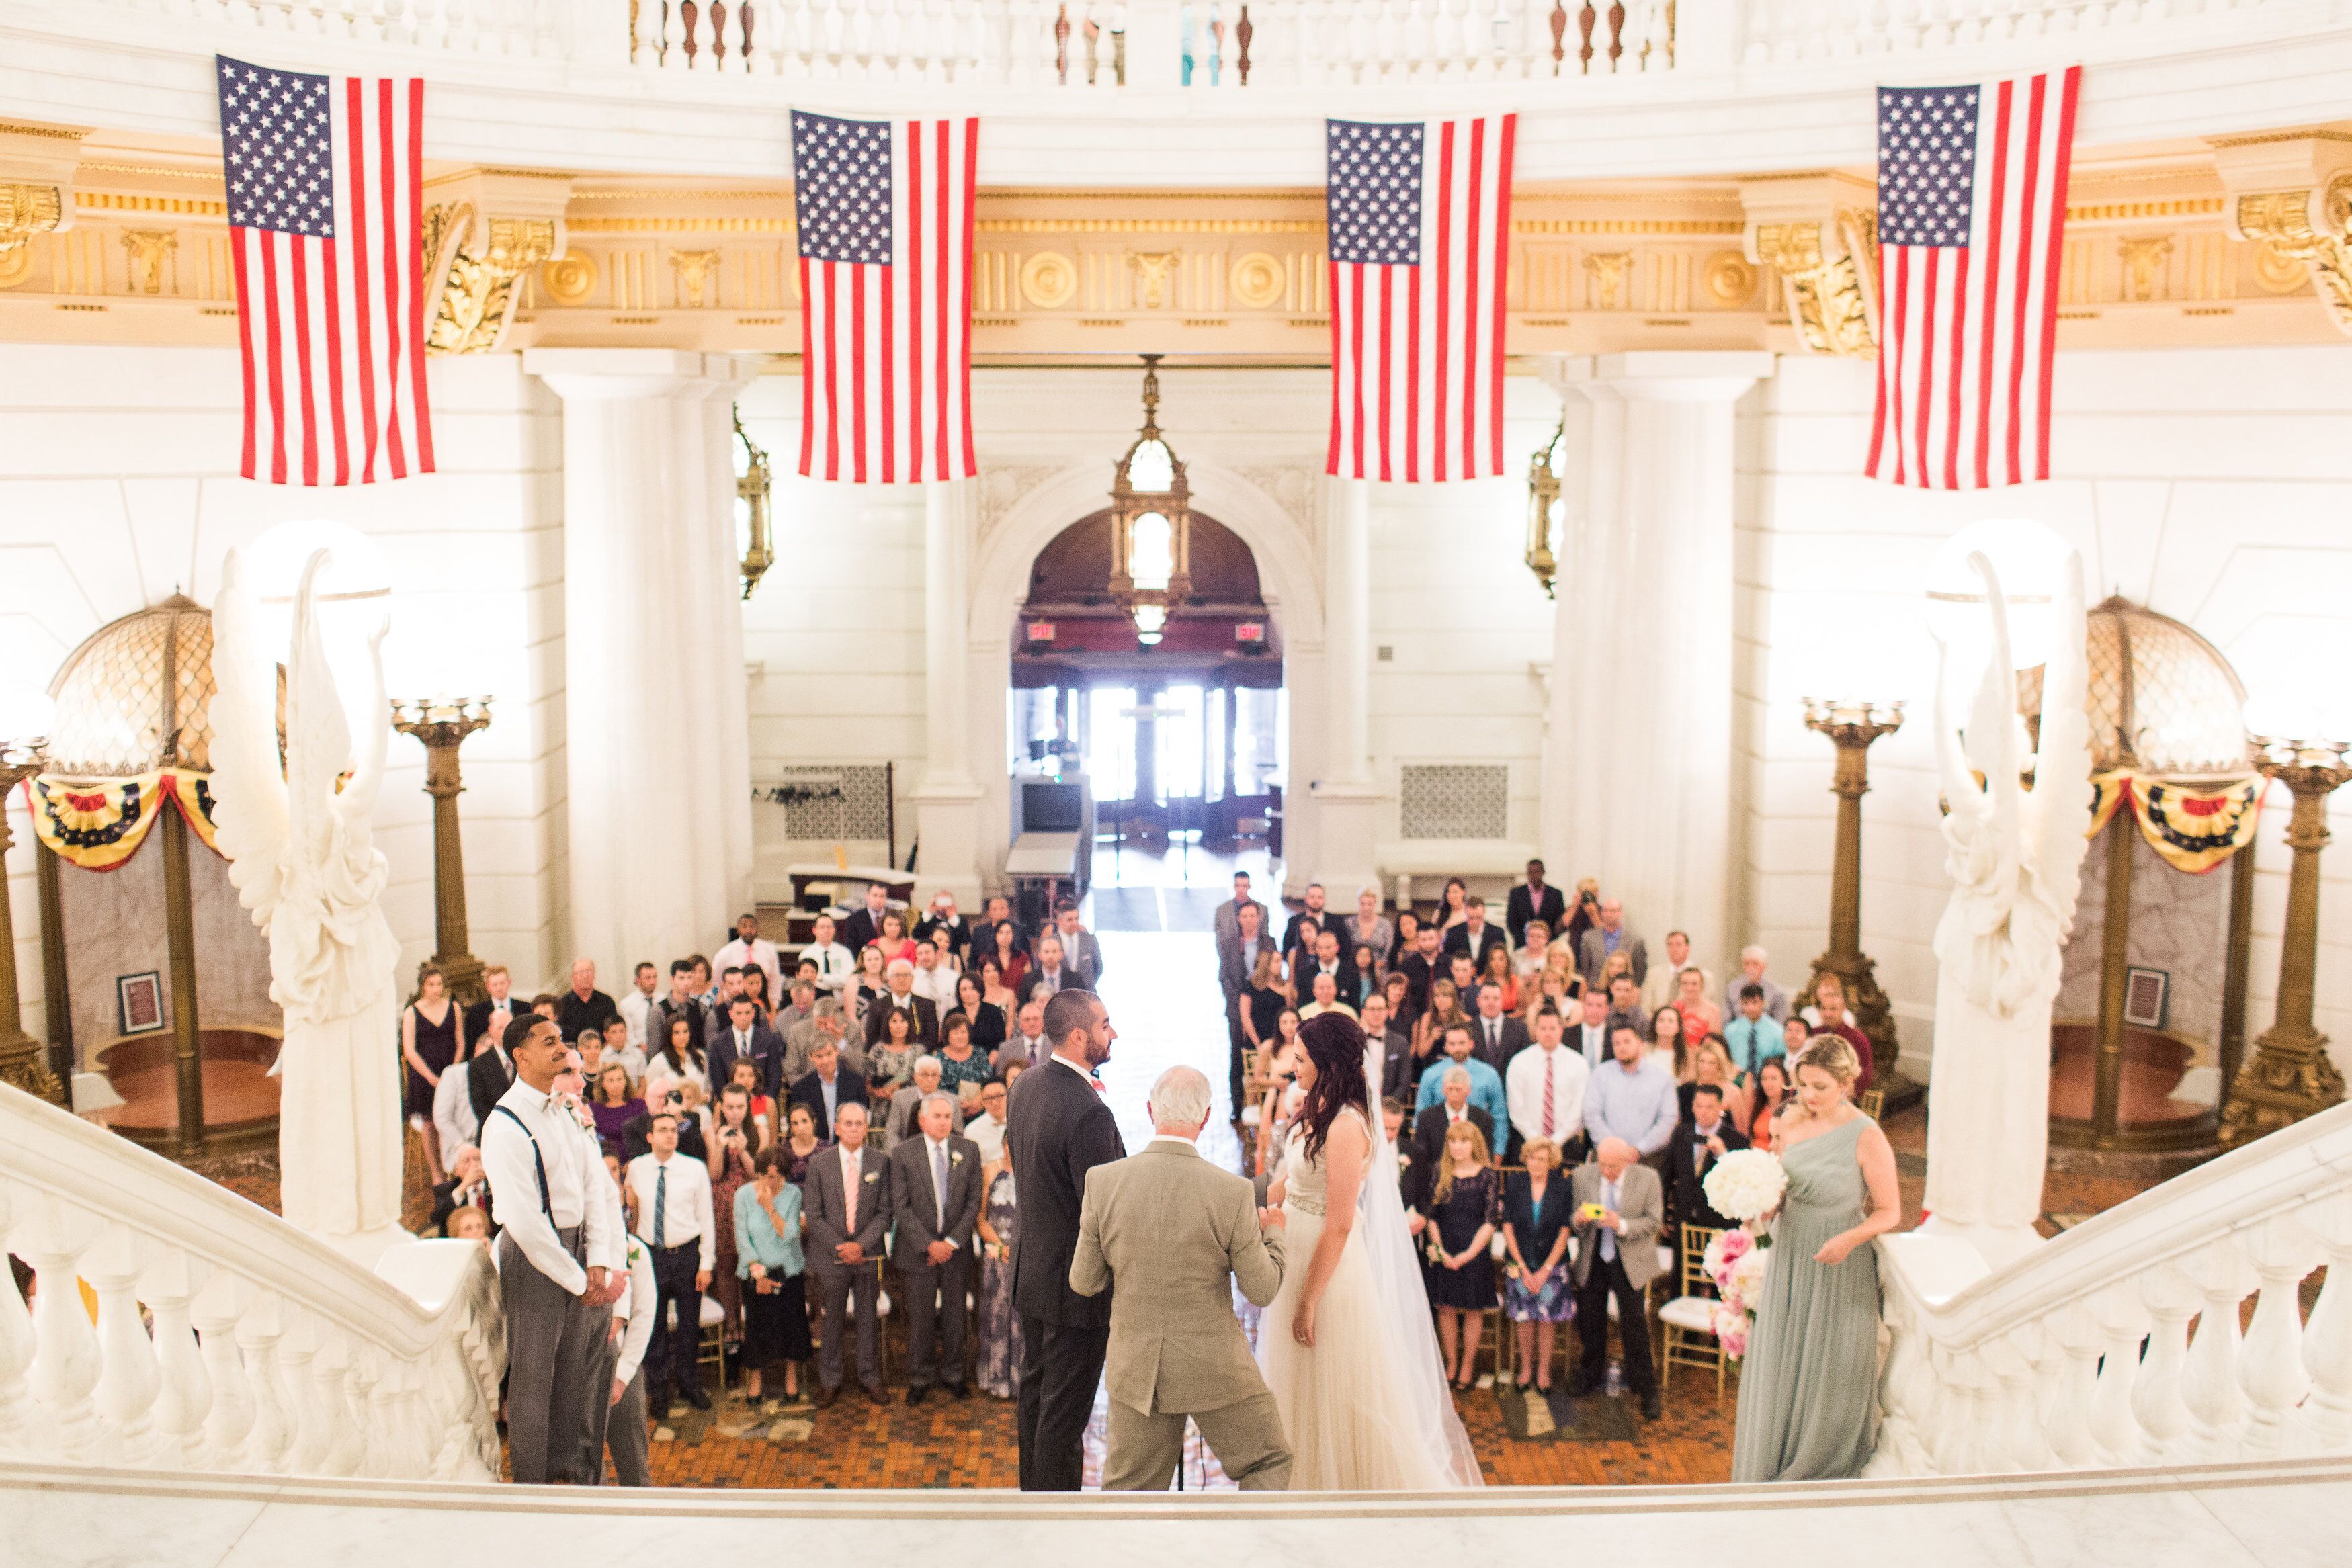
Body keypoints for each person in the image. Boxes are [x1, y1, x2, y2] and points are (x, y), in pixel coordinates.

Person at [1258, 1011, 1480, 1489]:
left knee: (1331, 1383)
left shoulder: (1345, 1125)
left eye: (1300, 1059)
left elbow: (1338, 1225)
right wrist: (1234, 1200)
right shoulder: (1310, 1109)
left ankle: (1342, 1489)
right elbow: (1284, 1183)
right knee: (1294, 1385)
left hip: (1327, 1269)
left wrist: (1309, 1300)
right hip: (1293, 1251)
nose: (1292, 1067)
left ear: (1326, 1062)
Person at [1072, 1064, 1293, 1491]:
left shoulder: (1102, 1183)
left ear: (1151, 1110)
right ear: (1207, 1117)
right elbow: (1262, 1289)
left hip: (1138, 1370)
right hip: (1215, 1366)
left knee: (1129, 1494)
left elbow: (1085, 1281)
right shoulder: (1233, 1193)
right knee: (1268, 1464)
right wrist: (1275, 1234)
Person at [1731, 1035, 1900, 1481]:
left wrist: (1850, 1238)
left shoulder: (1867, 1135)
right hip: (1791, 1252)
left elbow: (1890, 1211)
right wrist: (1765, 1205)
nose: (1809, 1096)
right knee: (1783, 1363)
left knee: (1832, 1366)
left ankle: (1816, 1464)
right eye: (1803, 1084)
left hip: (1838, 1261)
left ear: (1848, 1082)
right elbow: (1779, 1186)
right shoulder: (1789, 1121)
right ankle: (1772, 1463)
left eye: (1820, 1087)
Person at [479, 1014, 625, 1484]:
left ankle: (569, 1479)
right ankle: (532, 1489)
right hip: (534, 1258)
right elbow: (524, 1222)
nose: (562, 1049)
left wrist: (598, 1259)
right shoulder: (504, 1126)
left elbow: (593, 1187)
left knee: (572, 1380)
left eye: (561, 1040)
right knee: (534, 1385)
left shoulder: (561, 1110)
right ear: (520, 1057)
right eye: (550, 1043)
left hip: (577, 1249)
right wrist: (578, 1278)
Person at [1007, 988, 1126, 1492]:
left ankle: (1031, 1503)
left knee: (1035, 1400)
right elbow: (1103, 1212)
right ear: (1079, 1037)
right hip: (1075, 1289)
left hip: (1031, 1271)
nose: (1112, 1033)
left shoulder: (1026, 1084)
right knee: (1063, 1418)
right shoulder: (1089, 1111)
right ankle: (1055, 1524)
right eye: (1104, 1025)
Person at [889, 1092, 982, 1403]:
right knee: (920, 1319)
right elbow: (900, 1206)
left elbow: (973, 1202)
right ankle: (920, 1378)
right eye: (938, 1116)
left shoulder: (968, 1150)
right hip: (918, 1252)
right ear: (922, 1120)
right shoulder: (903, 1153)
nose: (944, 1122)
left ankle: (955, 1375)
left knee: (956, 1317)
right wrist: (929, 1244)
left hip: (956, 1251)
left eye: (948, 1116)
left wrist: (951, 1242)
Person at [624, 1110, 716, 1413]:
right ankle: (659, 1389)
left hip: (687, 1254)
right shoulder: (636, 1168)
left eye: (673, 1130)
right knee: (654, 1325)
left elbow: (706, 1217)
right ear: (650, 1137)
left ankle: (690, 1385)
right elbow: (632, 1213)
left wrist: (706, 1263)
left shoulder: (694, 1169)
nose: (669, 1134)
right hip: (652, 1256)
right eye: (662, 1130)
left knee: (690, 1326)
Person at [1568, 1137, 1665, 1418]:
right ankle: (1589, 1375)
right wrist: (1581, 1219)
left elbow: (1654, 1222)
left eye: (1613, 1166)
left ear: (1627, 1161)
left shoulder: (1648, 1179)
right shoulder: (1582, 1176)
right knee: (1590, 1319)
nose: (1606, 1171)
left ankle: (1646, 1388)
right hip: (1594, 1255)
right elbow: (1573, 1221)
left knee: (1634, 1325)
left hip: (1630, 1259)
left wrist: (1620, 1224)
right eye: (1602, 1164)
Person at [804, 1100, 891, 1406]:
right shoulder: (819, 1164)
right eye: (848, 1123)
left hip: (867, 1255)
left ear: (867, 1128)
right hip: (831, 1255)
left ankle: (869, 1378)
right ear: (837, 1128)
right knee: (832, 1320)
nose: (854, 1129)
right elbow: (813, 1215)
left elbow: (884, 1212)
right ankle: (829, 1380)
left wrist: (861, 1246)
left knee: (868, 1317)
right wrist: (841, 1247)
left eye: (860, 1123)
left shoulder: (880, 1162)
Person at [1419, 1115, 1501, 1389]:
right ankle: (1451, 1362)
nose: (1457, 1147)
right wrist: (1440, 1250)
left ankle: (1468, 1365)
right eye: (1452, 1141)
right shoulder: (1437, 1172)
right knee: (1446, 1308)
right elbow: (1430, 1216)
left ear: (1474, 1144)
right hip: (1445, 1246)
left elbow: (1491, 1221)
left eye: (1463, 1141)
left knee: (1473, 1309)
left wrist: (1468, 1254)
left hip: (1475, 1250)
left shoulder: (1488, 1175)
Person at [733, 1148, 810, 1405]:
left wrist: (769, 1208)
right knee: (757, 1327)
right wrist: (758, 1274)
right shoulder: (743, 1195)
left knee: (792, 1325)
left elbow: (788, 1236)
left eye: (777, 1177)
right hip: (756, 1270)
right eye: (765, 1175)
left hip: (788, 1269)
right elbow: (743, 1239)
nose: (770, 1181)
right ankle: (755, 1381)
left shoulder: (793, 1194)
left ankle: (791, 1378)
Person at [1501, 1135, 1574, 1393]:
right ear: (1526, 1159)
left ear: (1551, 1161)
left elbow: (1565, 1231)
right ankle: (1525, 1369)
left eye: (1542, 1159)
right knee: (1525, 1318)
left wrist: (1544, 1271)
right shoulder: (1515, 1183)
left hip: (1551, 1266)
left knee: (1545, 1319)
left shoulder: (1563, 1186)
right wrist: (1521, 1266)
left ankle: (1543, 1370)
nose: (1536, 1163)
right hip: (1520, 1263)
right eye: (1532, 1158)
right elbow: (1507, 1226)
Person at [707, 1082, 765, 1350]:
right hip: (723, 1206)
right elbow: (715, 1175)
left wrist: (742, 1149)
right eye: (729, 1107)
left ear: (748, 1106)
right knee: (727, 1265)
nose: (734, 1112)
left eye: (740, 1107)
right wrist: (720, 1146)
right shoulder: (711, 1132)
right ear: (721, 1106)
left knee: (753, 1264)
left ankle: (754, 1323)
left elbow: (760, 1175)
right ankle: (731, 1324)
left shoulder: (759, 1131)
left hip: (753, 1204)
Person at [601, 1221, 658, 1487]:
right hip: (578, 1369)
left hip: (624, 1365)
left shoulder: (635, 1250)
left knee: (635, 1469)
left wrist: (623, 1376)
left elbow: (644, 1314)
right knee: (588, 1475)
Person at [402, 963, 468, 1185]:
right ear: (423, 987)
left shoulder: (454, 1007)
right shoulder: (412, 1012)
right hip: (424, 1075)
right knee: (430, 1121)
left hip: (450, 1071)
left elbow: (460, 1042)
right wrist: (431, 1077)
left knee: (452, 1117)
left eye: (439, 984)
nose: (436, 989)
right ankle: (436, 1173)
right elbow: (409, 1050)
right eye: (431, 985)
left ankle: (454, 1165)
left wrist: (452, 1072)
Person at [1505, 1008, 1589, 1166]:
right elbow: (1516, 1107)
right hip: (1528, 1143)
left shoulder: (1578, 1063)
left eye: (1553, 1028)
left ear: (1561, 1030)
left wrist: (1556, 1141)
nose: (1548, 1033)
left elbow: (1579, 1108)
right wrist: (1536, 1141)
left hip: (1567, 1144)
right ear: (1535, 1030)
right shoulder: (1519, 1062)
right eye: (1543, 1028)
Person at [1668, 1082, 1752, 1238]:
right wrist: (1665, 1215)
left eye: (1709, 1107)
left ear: (1720, 1107)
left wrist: (1722, 1154)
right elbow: (1667, 1174)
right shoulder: (1681, 1133)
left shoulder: (1738, 1141)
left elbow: (1742, 1182)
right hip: (1684, 1219)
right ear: (1693, 1107)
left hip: (1719, 1224)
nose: (1703, 1112)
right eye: (1699, 1106)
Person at [1584, 1025, 1679, 1158]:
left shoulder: (1662, 1078)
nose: (1621, 1047)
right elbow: (1591, 1113)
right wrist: (1613, 1147)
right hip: (1607, 1156)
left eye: (1627, 1042)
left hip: (1649, 1157)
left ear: (1640, 1044)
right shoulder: (1601, 1074)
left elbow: (1668, 1119)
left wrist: (1640, 1149)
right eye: (1617, 1043)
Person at [975, 1139, 1023, 1399]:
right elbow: (980, 1218)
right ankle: (996, 1377)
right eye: (1009, 1143)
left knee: (1023, 1316)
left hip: (1025, 1254)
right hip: (997, 1254)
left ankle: (1021, 1378)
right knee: (998, 1313)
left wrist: (1018, 1249)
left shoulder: (1032, 1172)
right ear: (1004, 1143)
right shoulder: (989, 1171)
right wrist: (998, 1245)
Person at [1414, 1023, 1509, 1133]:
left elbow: (1499, 1116)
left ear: (1471, 1044)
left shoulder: (1489, 1074)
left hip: (1478, 1138)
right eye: (1452, 1044)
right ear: (1446, 1047)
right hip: (1440, 1141)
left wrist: (1498, 1149)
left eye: (1462, 1043)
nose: (1457, 1048)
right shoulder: (1430, 1075)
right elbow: (1421, 1115)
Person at [1800, 972, 1875, 1096]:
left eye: (1833, 1009)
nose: (1827, 1014)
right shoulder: (1814, 1034)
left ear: (1843, 1009)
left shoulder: (1857, 1039)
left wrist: (1848, 1096)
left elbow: (1865, 1073)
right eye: (1824, 1009)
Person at [710, 994, 786, 1103]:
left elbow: (775, 1076)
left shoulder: (769, 1039)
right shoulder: (718, 1043)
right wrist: (731, 1102)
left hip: (763, 1102)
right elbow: (718, 1081)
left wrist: (763, 1102)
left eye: (747, 1013)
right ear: (731, 1014)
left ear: (753, 1013)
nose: (743, 1017)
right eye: (739, 1013)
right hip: (731, 1104)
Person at [787, 1037, 870, 1133]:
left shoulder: (856, 1083)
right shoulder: (801, 1089)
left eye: (829, 1054)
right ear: (811, 1057)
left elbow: (862, 1119)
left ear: (836, 1051)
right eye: (819, 1056)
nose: (825, 1061)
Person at [714, 912, 784, 1008]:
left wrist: (774, 1005)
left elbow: (774, 979)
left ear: (757, 929)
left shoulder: (769, 950)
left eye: (752, 927)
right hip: (734, 1004)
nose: (748, 930)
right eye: (744, 927)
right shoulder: (725, 953)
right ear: (738, 929)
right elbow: (717, 981)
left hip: (763, 1002)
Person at [1681, 1035, 1752, 1129]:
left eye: (1712, 1063)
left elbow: (1743, 1131)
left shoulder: (1733, 1093)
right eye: (1702, 1062)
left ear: (1719, 1065)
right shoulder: (1685, 1090)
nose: (1706, 1068)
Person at [1577, 898, 1647, 988]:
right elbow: (1585, 968)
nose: (1609, 914)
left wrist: (1628, 989)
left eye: (1613, 911)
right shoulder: (1588, 938)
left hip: (1623, 992)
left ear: (1620, 913)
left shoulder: (1635, 941)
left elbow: (1640, 972)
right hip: (1595, 990)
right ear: (1601, 913)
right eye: (1606, 911)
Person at [429, 1143, 493, 1239]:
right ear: (456, 1170)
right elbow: (436, 1218)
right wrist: (463, 1187)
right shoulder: (446, 1189)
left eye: (477, 1159)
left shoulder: (495, 1185)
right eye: (467, 1161)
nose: (474, 1164)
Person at [1213, 870, 1270, 973]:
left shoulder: (1262, 910)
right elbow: (1219, 938)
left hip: (1255, 962)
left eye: (1244, 886)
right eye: (1238, 886)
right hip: (1231, 961)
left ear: (1249, 887)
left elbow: (1264, 935)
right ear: (1234, 886)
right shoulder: (1222, 910)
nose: (1241, 890)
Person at [1724, 982, 1783, 1079]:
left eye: (1755, 1002)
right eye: (1746, 1003)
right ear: (1741, 1004)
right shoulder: (1730, 1030)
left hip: (1764, 1081)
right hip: (1737, 1079)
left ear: (1763, 1003)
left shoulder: (1777, 1031)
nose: (1750, 1008)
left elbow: (1779, 1061)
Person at [1469, 979, 1529, 1070]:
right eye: (1486, 998)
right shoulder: (1467, 1030)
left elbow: (1524, 1064)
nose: (1491, 1003)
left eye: (1496, 998)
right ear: (1478, 1002)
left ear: (1502, 1001)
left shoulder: (1520, 1030)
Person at [556, 959, 620, 1043]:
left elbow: (613, 1030)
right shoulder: (562, 1004)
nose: (585, 976)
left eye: (589, 971)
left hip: (603, 1053)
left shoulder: (606, 1001)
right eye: (581, 972)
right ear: (573, 977)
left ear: (594, 975)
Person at [1506, 859, 1566, 949]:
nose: (1534, 875)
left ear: (1543, 872)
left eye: (1537, 872)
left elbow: (1560, 922)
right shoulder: (1517, 894)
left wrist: (1545, 940)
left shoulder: (1555, 894)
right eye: (1531, 872)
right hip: (1522, 946)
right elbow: (1511, 922)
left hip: (1549, 947)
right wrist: (1528, 941)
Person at [1725, 944, 1792, 1025]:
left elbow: (1779, 1024)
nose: (1751, 968)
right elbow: (1726, 1021)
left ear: (1764, 966)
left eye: (1755, 964)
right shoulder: (1732, 988)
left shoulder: (1777, 992)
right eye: (1747, 964)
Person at [1050, 897, 1106, 989]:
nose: (1074, 923)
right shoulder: (1050, 941)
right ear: (1060, 921)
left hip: (1086, 993)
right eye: (1070, 920)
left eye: (1076, 919)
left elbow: (1098, 968)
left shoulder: (1090, 940)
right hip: (1060, 994)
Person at [588, 1063, 644, 1153]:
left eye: (619, 1079)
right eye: (611, 1080)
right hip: (605, 1158)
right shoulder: (594, 1109)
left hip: (636, 1158)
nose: (616, 1084)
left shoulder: (639, 1106)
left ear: (626, 1081)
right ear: (603, 1084)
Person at [650, 1013, 710, 1096]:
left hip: (701, 1107)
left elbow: (709, 1089)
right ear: (669, 1035)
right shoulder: (659, 1061)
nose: (682, 1037)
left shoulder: (700, 1056)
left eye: (685, 1031)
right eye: (677, 1033)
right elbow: (652, 1094)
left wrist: (703, 1099)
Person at [802, 913, 856, 1005]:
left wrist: (820, 977)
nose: (826, 930)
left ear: (834, 930)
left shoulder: (845, 953)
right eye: (822, 927)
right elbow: (808, 982)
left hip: (842, 1005)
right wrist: (836, 981)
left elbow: (848, 980)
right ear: (814, 931)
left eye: (829, 927)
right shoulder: (806, 954)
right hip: (814, 1005)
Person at [1442, 894, 1507, 969]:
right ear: (1465, 914)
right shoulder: (1453, 933)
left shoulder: (1497, 933)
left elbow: (1503, 961)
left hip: (1489, 978)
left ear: (1484, 913)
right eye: (1471, 918)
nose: (1475, 922)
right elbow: (1447, 960)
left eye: (1479, 918)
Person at [935, 1013, 993, 1095]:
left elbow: (988, 1082)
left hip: (979, 1102)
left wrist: (977, 1101)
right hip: (948, 1104)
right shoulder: (939, 1058)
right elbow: (937, 1088)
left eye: (963, 1032)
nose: (960, 1036)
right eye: (955, 1033)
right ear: (947, 1036)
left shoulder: (980, 1054)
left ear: (969, 1034)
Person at [954, 970, 1006, 1059]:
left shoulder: (994, 1012)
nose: (969, 993)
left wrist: (987, 1065)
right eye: (964, 989)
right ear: (959, 992)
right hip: (957, 1063)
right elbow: (946, 1043)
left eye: (973, 988)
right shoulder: (953, 1014)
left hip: (989, 1063)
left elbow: (1000, 1042)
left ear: (980, 990)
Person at [616, 961, 662, 1057]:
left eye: (655, 977)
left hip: (663, 1052)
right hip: (638, 1054)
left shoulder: (663, 1000)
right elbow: (628, 1034)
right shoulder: (627, 1004)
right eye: (648, 978)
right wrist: (641, 1047)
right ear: (638, 980)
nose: (653, 982)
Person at [1345, 885, 1394, 974]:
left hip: (1379, 970)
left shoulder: (1385, 924)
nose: (1366, 908)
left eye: (1369, 904)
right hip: (1354, 970)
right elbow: (1346, 947)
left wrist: (1378, 965)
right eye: (1363, 904)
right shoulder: (1349, 923)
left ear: (1375, 904)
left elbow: (1389, 949)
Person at [838, 881, 894, 955]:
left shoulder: (894, 917)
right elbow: (851, 949)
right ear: (867, 896)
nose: (878, 900)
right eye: (875, 895)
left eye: (882, 896)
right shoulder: (854, 920)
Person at [779, 1100, 827, 1186]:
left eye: (804, 1121)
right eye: (795, 1123)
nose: (800, 1128)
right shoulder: (783, 1151)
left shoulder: (826, 1149)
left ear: (814, 1122)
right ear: (791, 1128)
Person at [1750, 1056, 1793, 1149]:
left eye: (1774, 1078)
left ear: (1784, 1080)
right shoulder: (1758, 1105)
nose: (1768, 1084)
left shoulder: (1791, 1109)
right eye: (1764, 1078)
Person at [964, 1076, 1010, 1163]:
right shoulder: (972, 1131)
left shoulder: (1021, 1123)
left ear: (1008, 1095)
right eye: (988, 1099)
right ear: (983, 1102)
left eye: (999, 1096)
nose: (994, 1103)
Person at [1000, 997, 1050, 1074]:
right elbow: (1001, 1080)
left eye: (1035, 1019)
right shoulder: (1006, 1050)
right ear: (1020, 1024)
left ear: (1043, 1021)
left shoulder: (1056, 1047)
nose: (1031, 1024)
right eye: (1027, 1020)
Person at [1570, 984, 1613, 1073]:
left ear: (1607, 1009)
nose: (1594, 1011)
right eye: (1590, 1005)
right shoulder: (1568, 1035)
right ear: (1583, 1006)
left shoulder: (1614, 1037)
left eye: (1599, 1006)